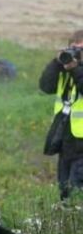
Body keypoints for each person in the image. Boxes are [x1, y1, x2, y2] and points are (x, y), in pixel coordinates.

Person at [39, 30, 83, 200]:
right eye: (73, 49)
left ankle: (75, 221)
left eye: (80, 50)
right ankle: (67, 220)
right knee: (64, 189)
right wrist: (56, 62)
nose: (76, 54)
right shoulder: (65, 69)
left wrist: (75, 69)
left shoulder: (75, 70)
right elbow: (45, 86)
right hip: (66, 140)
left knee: (76, 190)